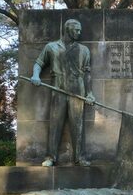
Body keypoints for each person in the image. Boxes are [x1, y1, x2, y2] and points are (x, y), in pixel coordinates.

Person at [30, 19, 95, 166]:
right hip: (58, 89)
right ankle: (50, 157)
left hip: (78, 90)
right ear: (67, 29)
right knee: (55, 124)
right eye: (76, 30)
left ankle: (80, 158)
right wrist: (35, 75)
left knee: (77, 125)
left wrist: (89, 93)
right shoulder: (51, 47)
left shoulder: (84, 50)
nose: (79, 32)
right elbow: (39, 63)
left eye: (80, 30)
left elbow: (87, 74)